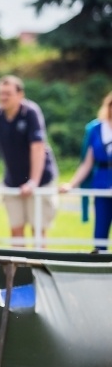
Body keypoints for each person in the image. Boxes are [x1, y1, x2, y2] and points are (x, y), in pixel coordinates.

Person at [0, 75, 58, 244]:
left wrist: (33, 182)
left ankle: (39, 261)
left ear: (20, 95)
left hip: (40, 180)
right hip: (13, 181)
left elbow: (37, 148)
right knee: (16, 230)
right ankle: (18, 263)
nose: (3, 97)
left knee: (38, 231)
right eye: (0, 93)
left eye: (8, 93)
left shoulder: (30, 113)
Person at [60, 91, 112, 250]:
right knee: (100, 233)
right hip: (102, 184)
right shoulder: (96, 129)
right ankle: (100, 262)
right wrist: (71, 184)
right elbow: (87, 163)